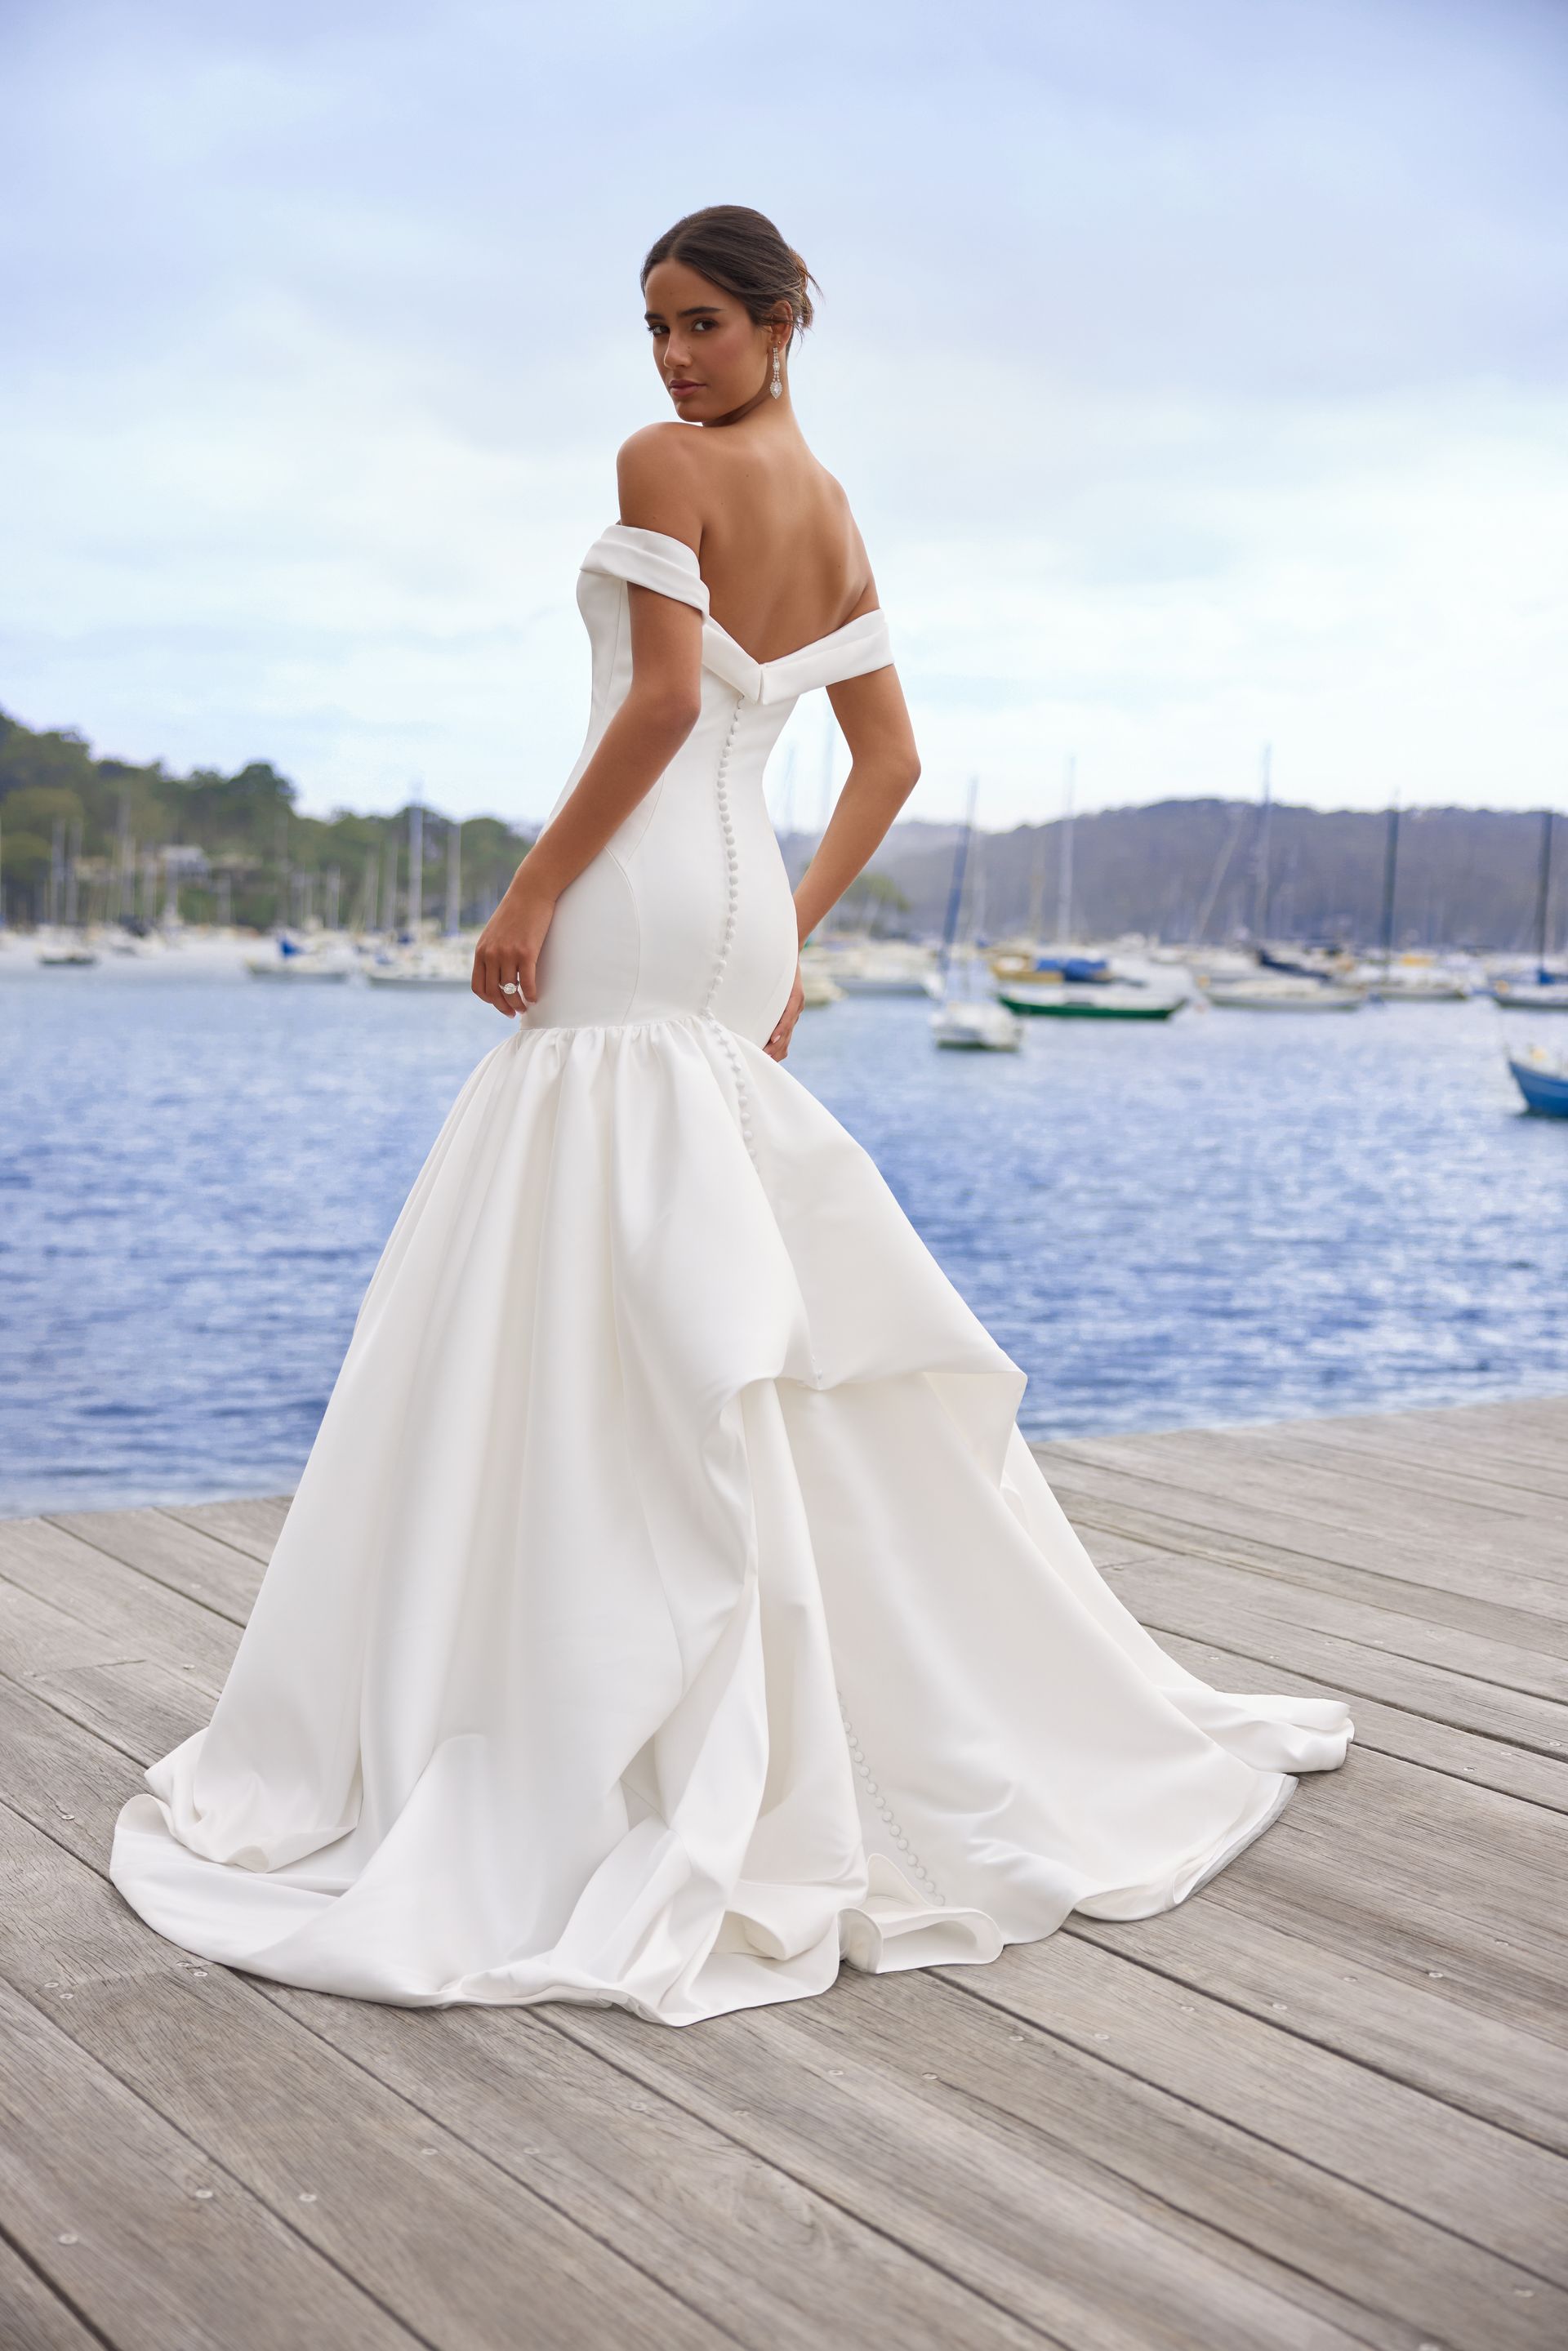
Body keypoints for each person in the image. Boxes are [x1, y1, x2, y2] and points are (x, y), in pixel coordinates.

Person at [109, 206, 1352, 2027]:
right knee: (684, 1264)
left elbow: (671, 699)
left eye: (703, 322)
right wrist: (793, 935)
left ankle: (585, 1681)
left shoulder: (663, 469)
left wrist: (531, 891)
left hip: (629, 890)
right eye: (653, 329)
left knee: (595, 1251)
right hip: (736, 900)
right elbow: (887, 761)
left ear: (784, 321)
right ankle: (728, 1661)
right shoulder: (829, 504)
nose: (673, 359)